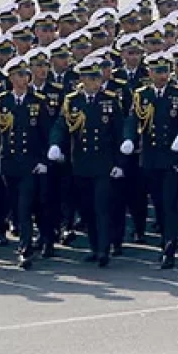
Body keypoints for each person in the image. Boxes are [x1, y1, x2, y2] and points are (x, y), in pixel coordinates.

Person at [49, 58, 125, 268]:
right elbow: (61, 126)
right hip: (81, 163)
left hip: (104, 164)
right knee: (87, 209)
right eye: (91, 78)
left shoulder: (109, 100)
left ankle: (103, 249)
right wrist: (55, 144)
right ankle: (94, 247)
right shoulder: (72, 100)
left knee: (102, 207)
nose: (95, 82)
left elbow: (119, 133)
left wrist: (120, 163)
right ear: (82, 79)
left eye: (98, 77)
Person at [126, 52, 178, 269]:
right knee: (157, 202)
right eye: (158, 71)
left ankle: (169, 248)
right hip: (149, 158)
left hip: (171, 159)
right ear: (149, 72)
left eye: (165, 71)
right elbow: (133, 119)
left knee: (169, 204)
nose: (162, 75)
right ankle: (165, 241)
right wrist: (129, 139)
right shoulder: (142, 95)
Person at [0, 58, 50, 269]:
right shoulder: (1, 102)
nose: (24, 79)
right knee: (13, 206)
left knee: (25, 206)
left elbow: (45, 133)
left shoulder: (37, 101)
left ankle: (25, 248)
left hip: (29, 163)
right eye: (19, 75)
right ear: (11, 78)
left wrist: (44, 160)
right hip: (9, 163)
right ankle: (22, 239)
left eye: (26, 75)